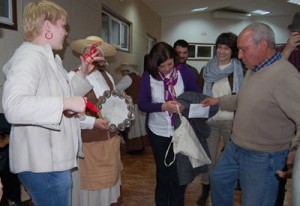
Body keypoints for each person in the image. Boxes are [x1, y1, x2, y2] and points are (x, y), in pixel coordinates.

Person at [1, 1, 100, 205]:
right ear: (47, 27)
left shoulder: (50, 59)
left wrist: (82, 71)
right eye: (63, 26)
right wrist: (64, 103)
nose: (65, 32)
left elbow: (66, 93)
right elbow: (14, 105)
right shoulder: (29, 58)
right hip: (43, 165)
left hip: (50, 161)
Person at [201, 22, 300, 206]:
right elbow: (242, 99)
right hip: (236, 148)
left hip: (263, 157)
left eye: (243, 50)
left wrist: (295, 151)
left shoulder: (286, 77)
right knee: (218, 179)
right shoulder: (254, 69)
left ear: (262, 45)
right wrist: (218, 101)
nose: (239, 55)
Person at [138, 42, 200, 206]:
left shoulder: (184, 72)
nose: (166, 69)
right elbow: (142, 104)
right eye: (162, 66)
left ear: (175, 60)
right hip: (158, 132)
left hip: (180, 131)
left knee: (178, 173)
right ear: (154, 64)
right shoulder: (148, 76)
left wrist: (184, 104)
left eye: (170, 64)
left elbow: (196, 96)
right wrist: (162, 106)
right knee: (163, 172)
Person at [70, 36, 122, 206]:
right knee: (89, 189)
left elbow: (114, 103)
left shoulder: (107, 76)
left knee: (107, 188)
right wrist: (93, 123)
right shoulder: (73, 77)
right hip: (89, 144)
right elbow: (68, 115)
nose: (92, 57)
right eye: (89, 52)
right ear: (82, 56)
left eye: (96, 54)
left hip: (109, 142)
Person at [196, 32, 244, 206]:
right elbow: (200, 93)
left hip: (231, 120)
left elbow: (241, 97)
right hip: (210, 119)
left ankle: (230, 187)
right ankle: (205, 190)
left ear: (233, 50)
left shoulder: (239, 69)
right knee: (208, 157)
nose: (222, 51)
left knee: (232, 157)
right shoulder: (207, 69)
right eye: (219, 47)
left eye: (226, 48)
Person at [116, 62, 148, 153]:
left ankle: (135, 148)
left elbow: (117, 88)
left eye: (122, 72)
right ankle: (141, 146)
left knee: (135, 127)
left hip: (134, 105)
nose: (122, 74)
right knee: (141, 127)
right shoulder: (138, 76)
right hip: (141, 105)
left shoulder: (128, 77)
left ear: (126, 71)